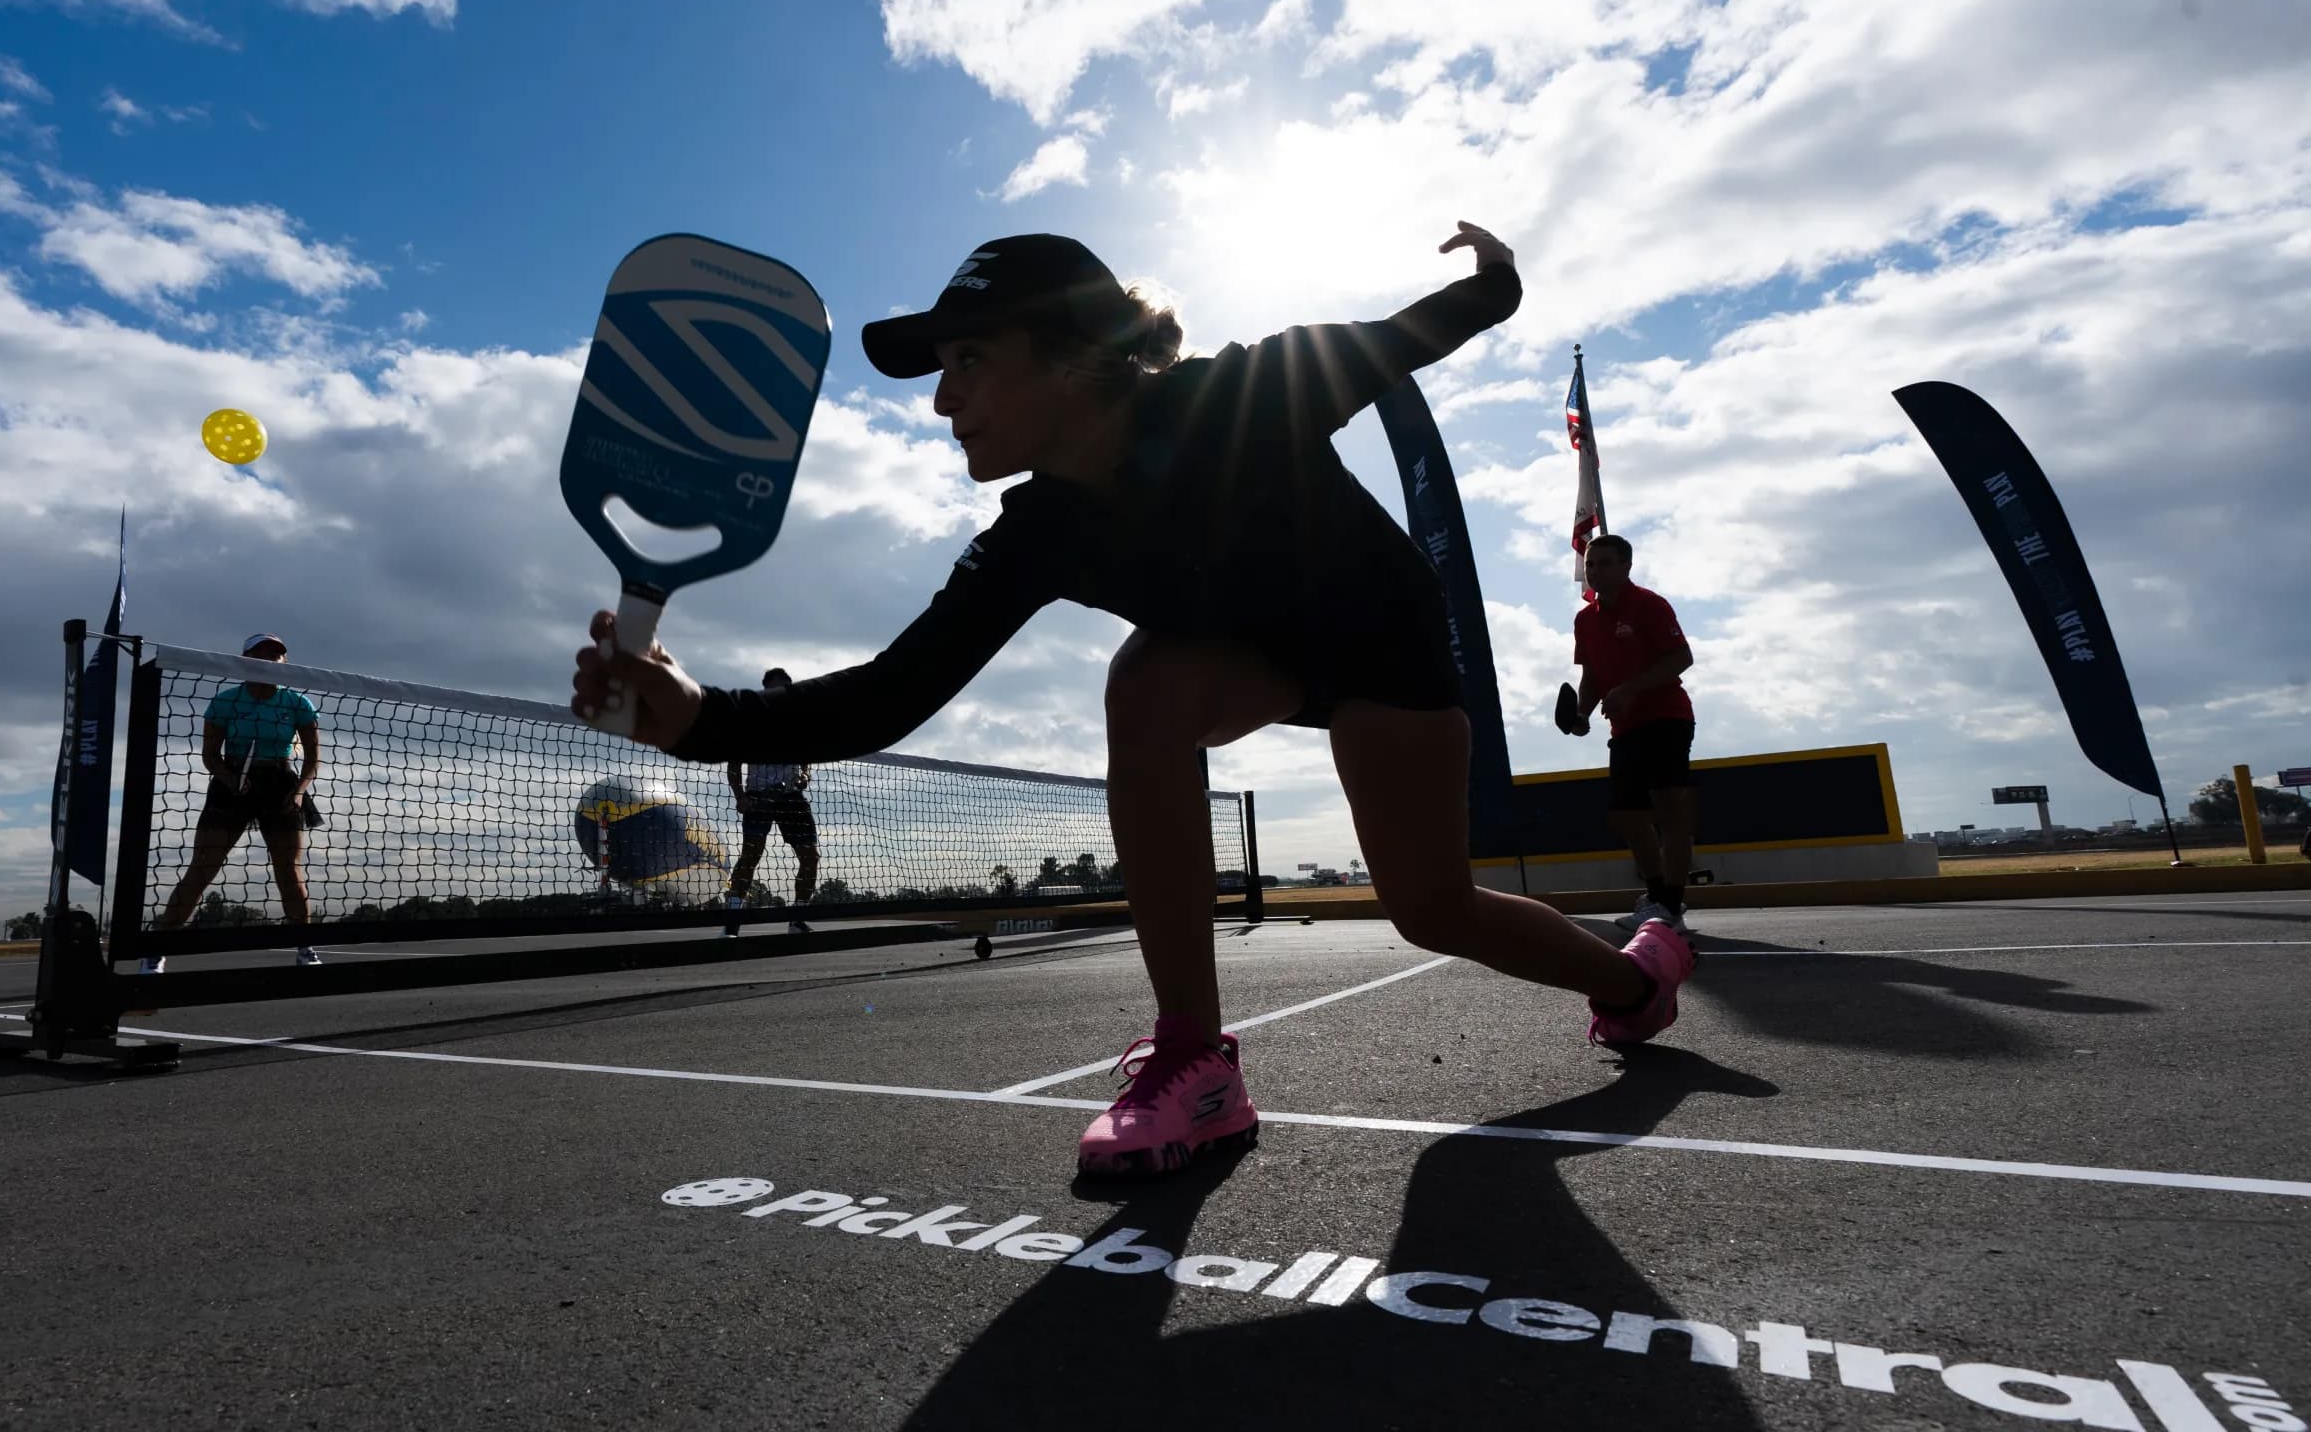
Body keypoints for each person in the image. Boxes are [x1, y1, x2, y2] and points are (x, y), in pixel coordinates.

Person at [573, 221, 1695, 1178]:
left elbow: (1410, 336)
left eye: (967, 359)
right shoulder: (1037, 532)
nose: (941, 399)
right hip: (1247, 654)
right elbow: (890, 693)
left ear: (1071, 360)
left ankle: (1633, 976)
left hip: (1380, 646)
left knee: (1430, 910)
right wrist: (702, 721)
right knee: (1145, 684)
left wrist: (1495, 282)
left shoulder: (1239, 396)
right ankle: (1196, 1062)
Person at [146, 633, 324, 970]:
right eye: (262, 654)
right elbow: (210, 755)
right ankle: (156, 950)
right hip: (232, 782)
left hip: (280, 784)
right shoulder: (225, 702)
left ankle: (305, 947)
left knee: (289, 871)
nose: (270, 660)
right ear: (245, 659)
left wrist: (299, 790)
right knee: (202, 869)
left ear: (284, 663)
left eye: (277, 655)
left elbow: (313, 758)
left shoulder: (298, 703)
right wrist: (231, 781)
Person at [1572, 535, 1699, 931]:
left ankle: (1671, 904)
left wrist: (1630, 688)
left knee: (1670, 807)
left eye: (1605, 563)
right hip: (1624, 728)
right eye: (1591, 564)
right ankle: (1658, 896)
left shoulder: (1649, 605)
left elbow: (1682, 657)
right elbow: (1591, 676)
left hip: (1667, 718)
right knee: (1628, 816)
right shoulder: (1585, 619)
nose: (1595, 571)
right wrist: (1581, 713)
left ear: (1626, 566)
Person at [725, 668, 821, 936]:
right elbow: (734, 765)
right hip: (758, 798)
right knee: (750, 857)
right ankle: (732, 923)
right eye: (775, 688)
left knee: (811, 856)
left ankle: (797, 919)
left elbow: (806, 760)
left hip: (791, 798)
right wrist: (740, 797)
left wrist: (805, 775)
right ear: (765, 689)